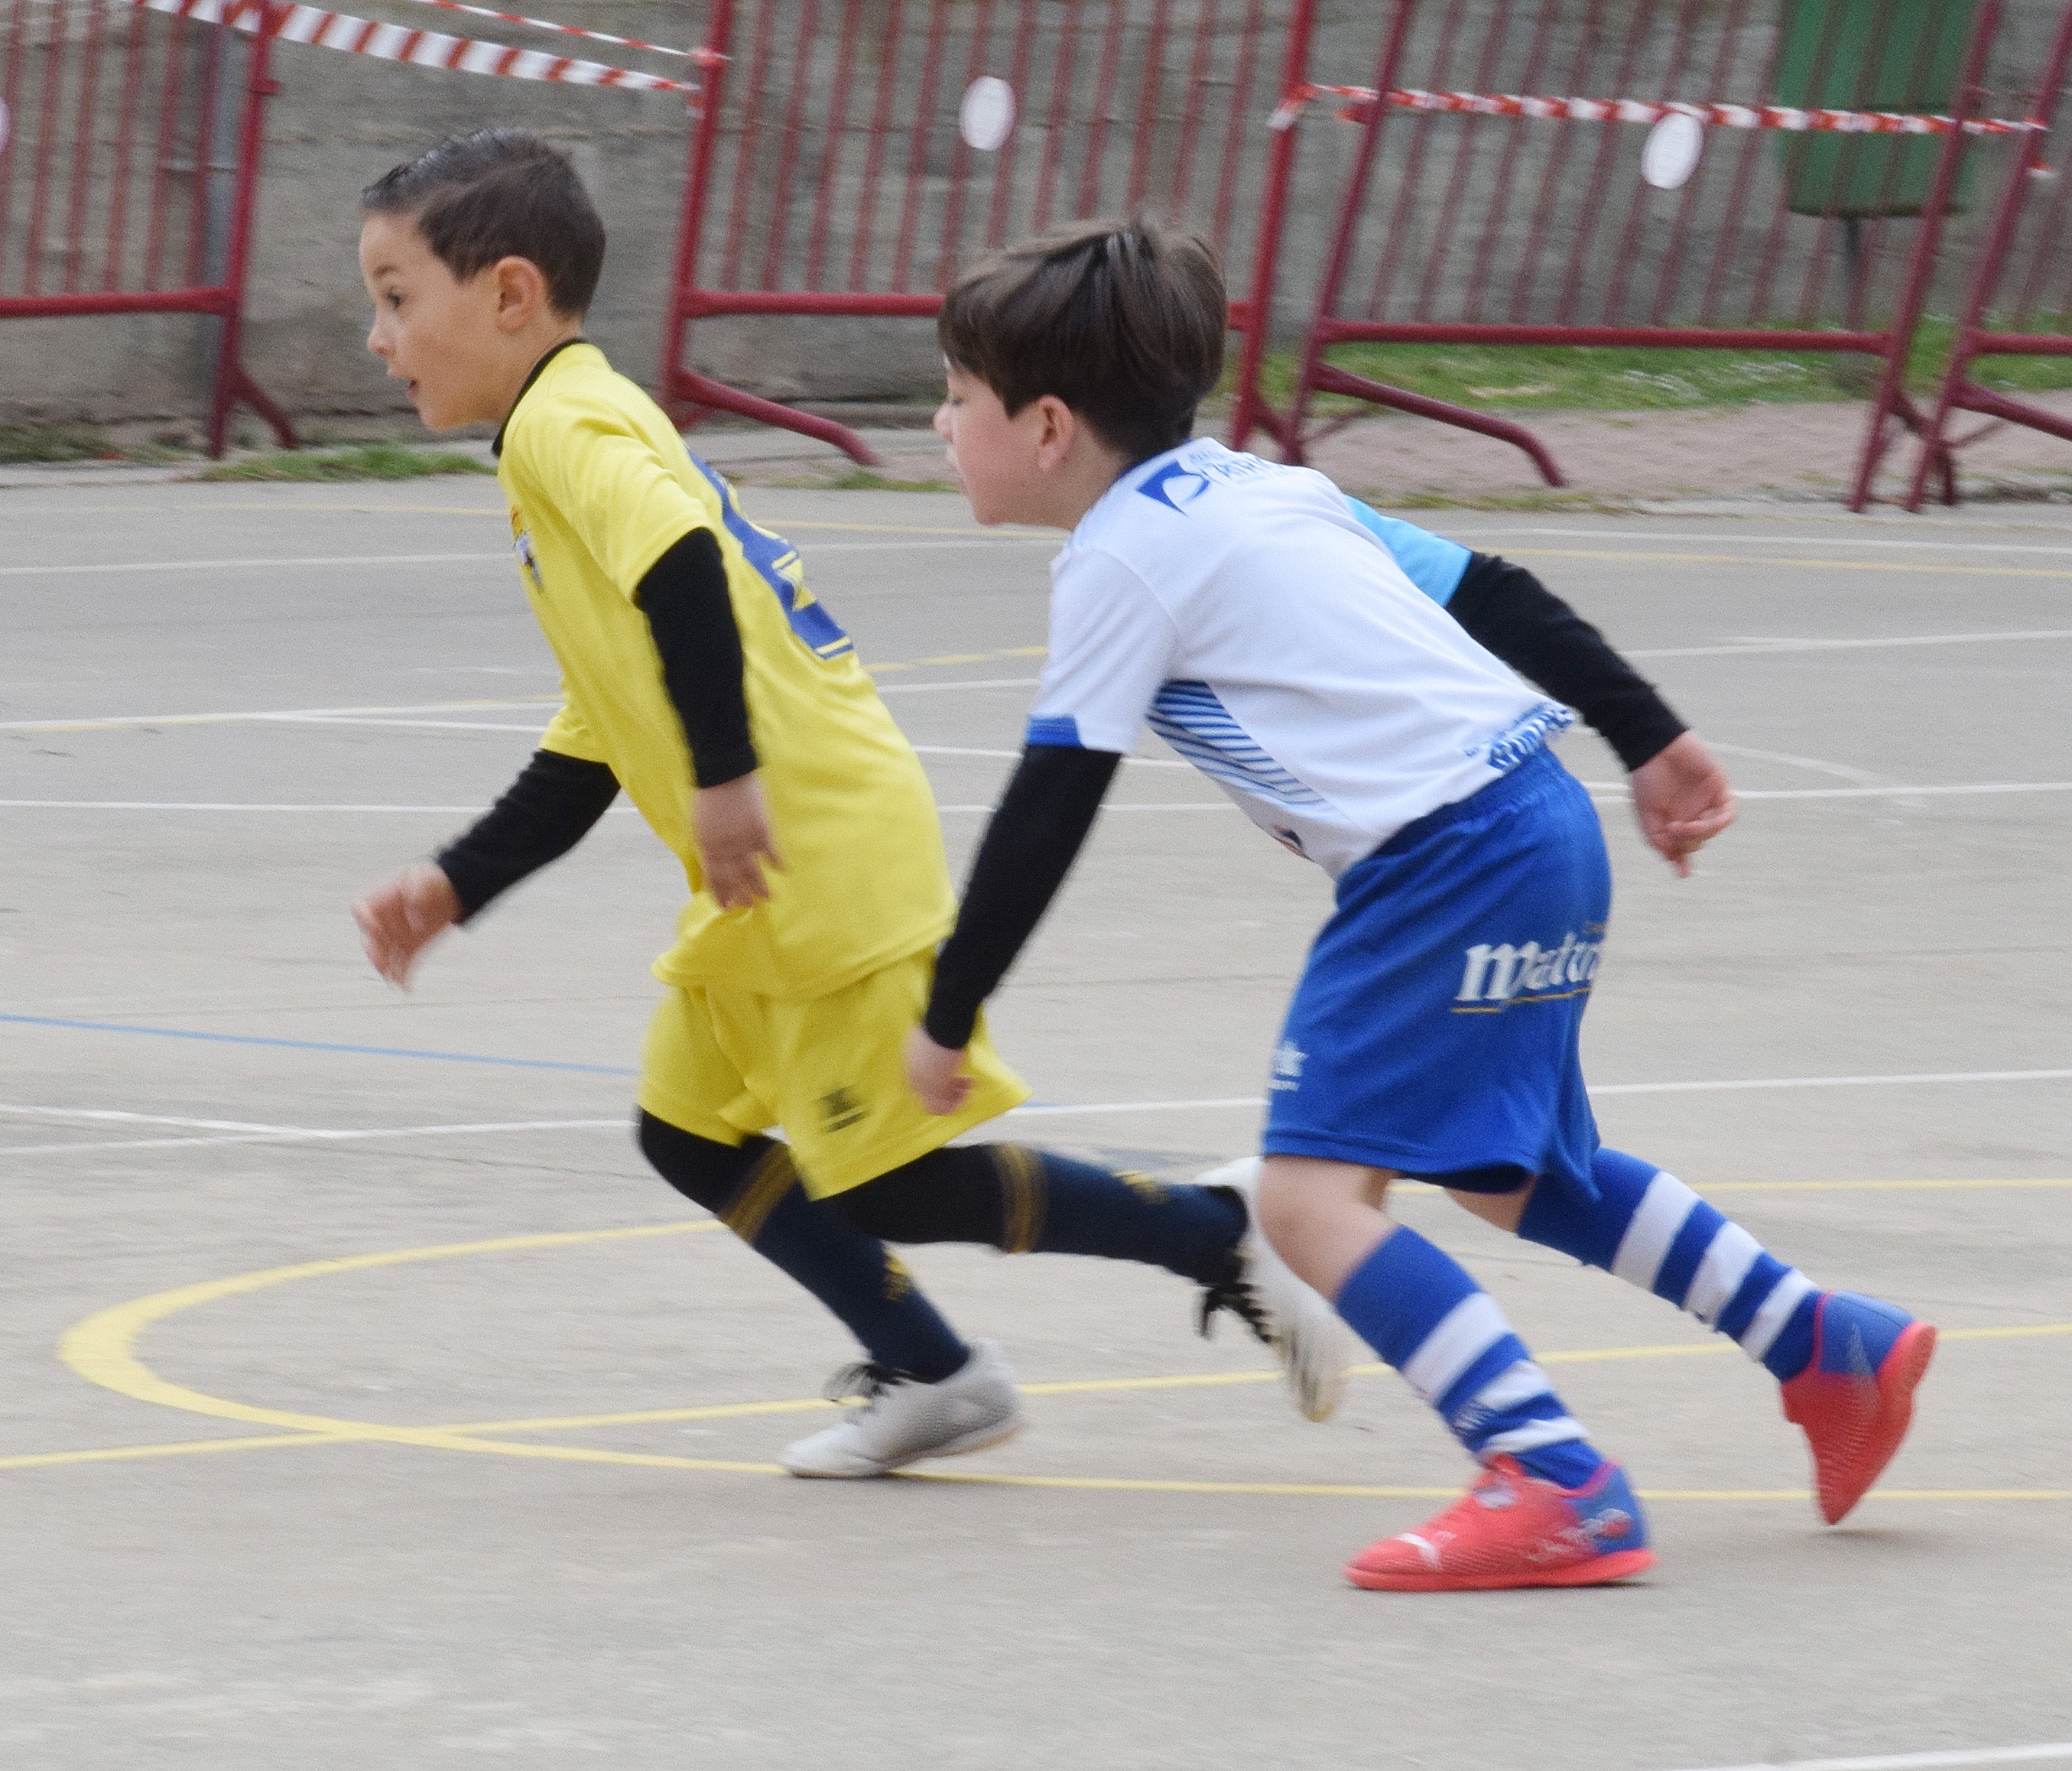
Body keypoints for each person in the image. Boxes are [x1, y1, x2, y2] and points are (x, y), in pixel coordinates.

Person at [906, 215, 1937, 1590]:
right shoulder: (1262, 489)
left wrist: (949, 1008)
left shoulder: (1116, 558)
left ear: (1043, 428)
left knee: (1306, 1198)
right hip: (1538, 815)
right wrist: (1648, 735)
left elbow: (1053, 797)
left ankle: (1552, 1479)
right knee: (1515, 1177)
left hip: (1443, 858)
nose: (937, 421)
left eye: (956, 398)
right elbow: (1494, 592)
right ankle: (1826, 1345)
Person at [343, 129, 1350, 1481]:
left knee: (883, 1179)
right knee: (688, 1131)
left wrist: (722, 783)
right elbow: (594, 731)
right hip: (775, 851)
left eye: (397, 296)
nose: (375, 334)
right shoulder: (563, 440)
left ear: (511, 296)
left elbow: (689, 568)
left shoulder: (568, 425)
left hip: (814, 843)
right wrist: (459, 881)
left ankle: (1209, 1229)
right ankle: (939, 1376)